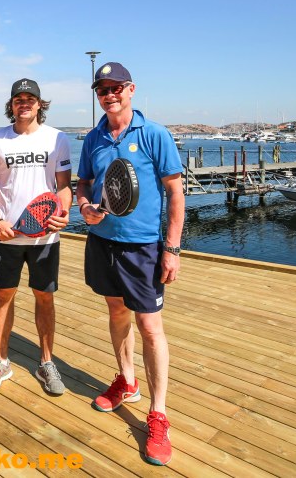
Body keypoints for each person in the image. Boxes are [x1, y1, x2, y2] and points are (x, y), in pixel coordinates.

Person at [74, 61, 184, 466]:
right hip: (103, 242)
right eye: (103, 89)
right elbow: (84, 182)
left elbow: (175, 193)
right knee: (116, 311)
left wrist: (171, 249)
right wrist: (84, 204)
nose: (110, 94)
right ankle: (127, 380)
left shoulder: (153, 134)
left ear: (131, 89)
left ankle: (158, 414)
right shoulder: (94, 138)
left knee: (150, 326)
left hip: (143, 247)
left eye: (116, 87)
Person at [0, 79, 72, 395]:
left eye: (30, 98)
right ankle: (1, 360)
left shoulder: (57, 139)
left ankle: (46, 362)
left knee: (44, 298)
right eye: (18, 99)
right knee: (4, 296)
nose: (24, 103)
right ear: (12, 104)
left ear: (40, 104)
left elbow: (63, 187)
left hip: (45, 239)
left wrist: (64, 212)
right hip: (6, 237)